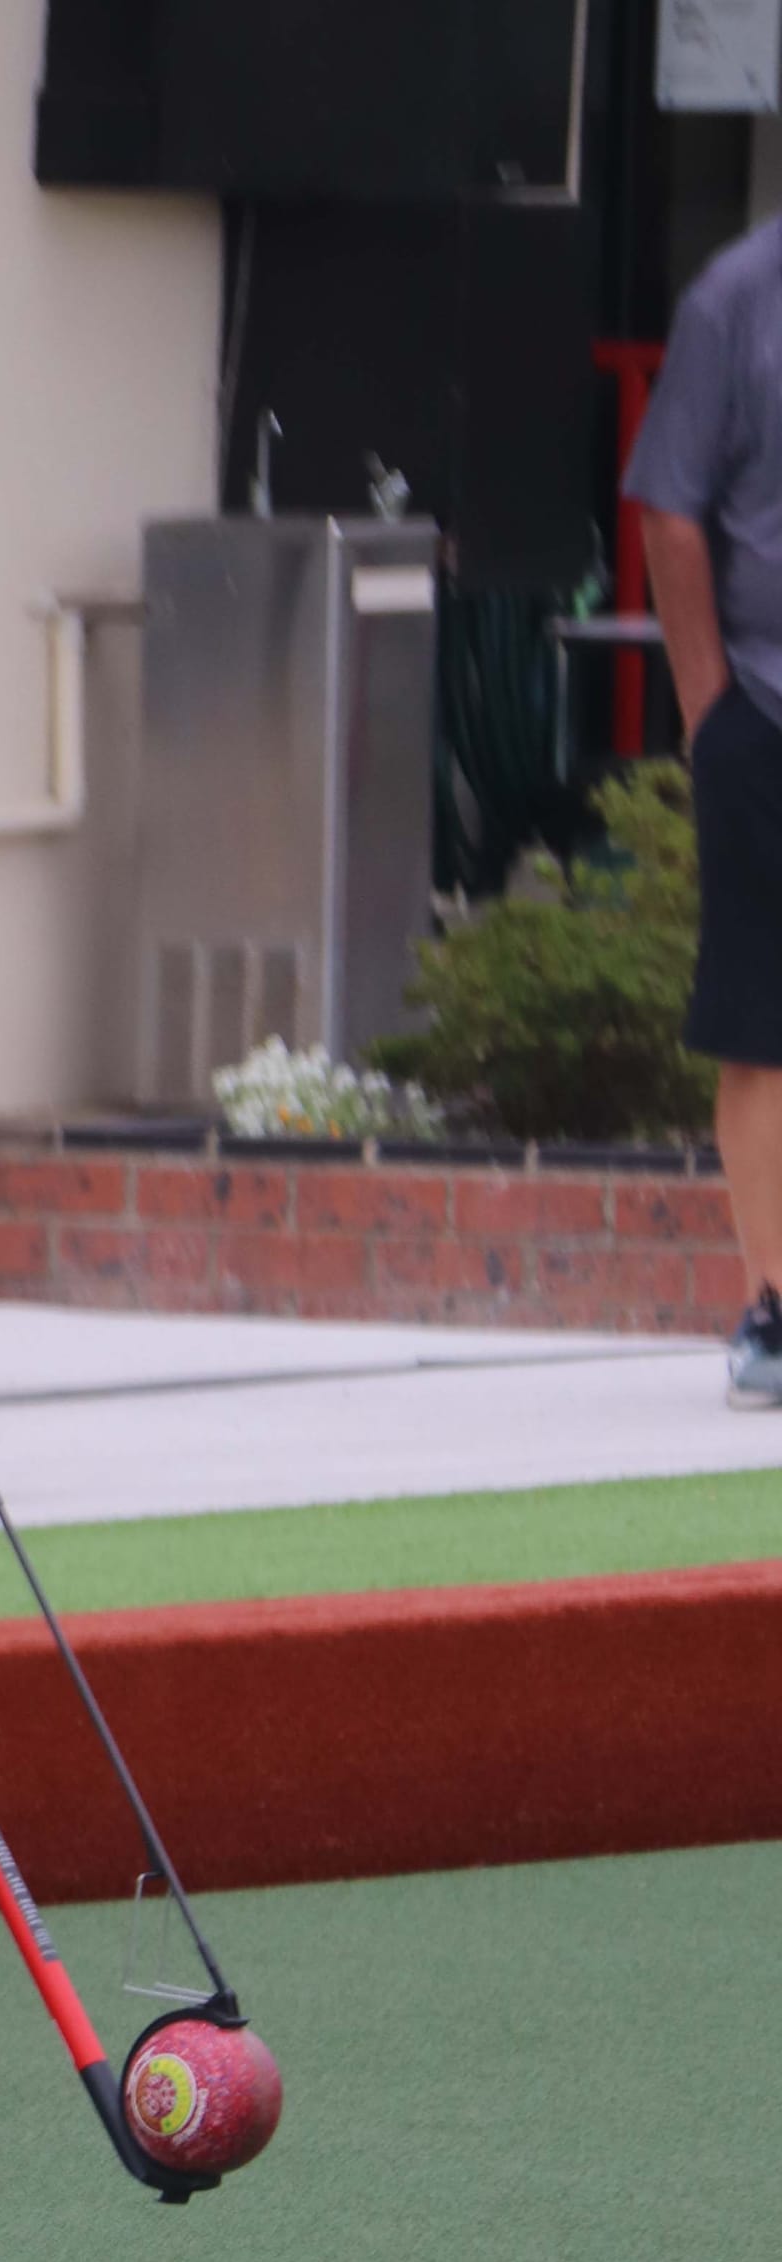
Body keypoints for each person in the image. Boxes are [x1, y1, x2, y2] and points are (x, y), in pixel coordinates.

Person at [627, 215, 782, 1406]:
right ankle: (773, 1307)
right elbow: (666, 506)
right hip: (765, 716)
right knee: (759, 1023)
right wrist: (706, 709)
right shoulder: (734, 298)